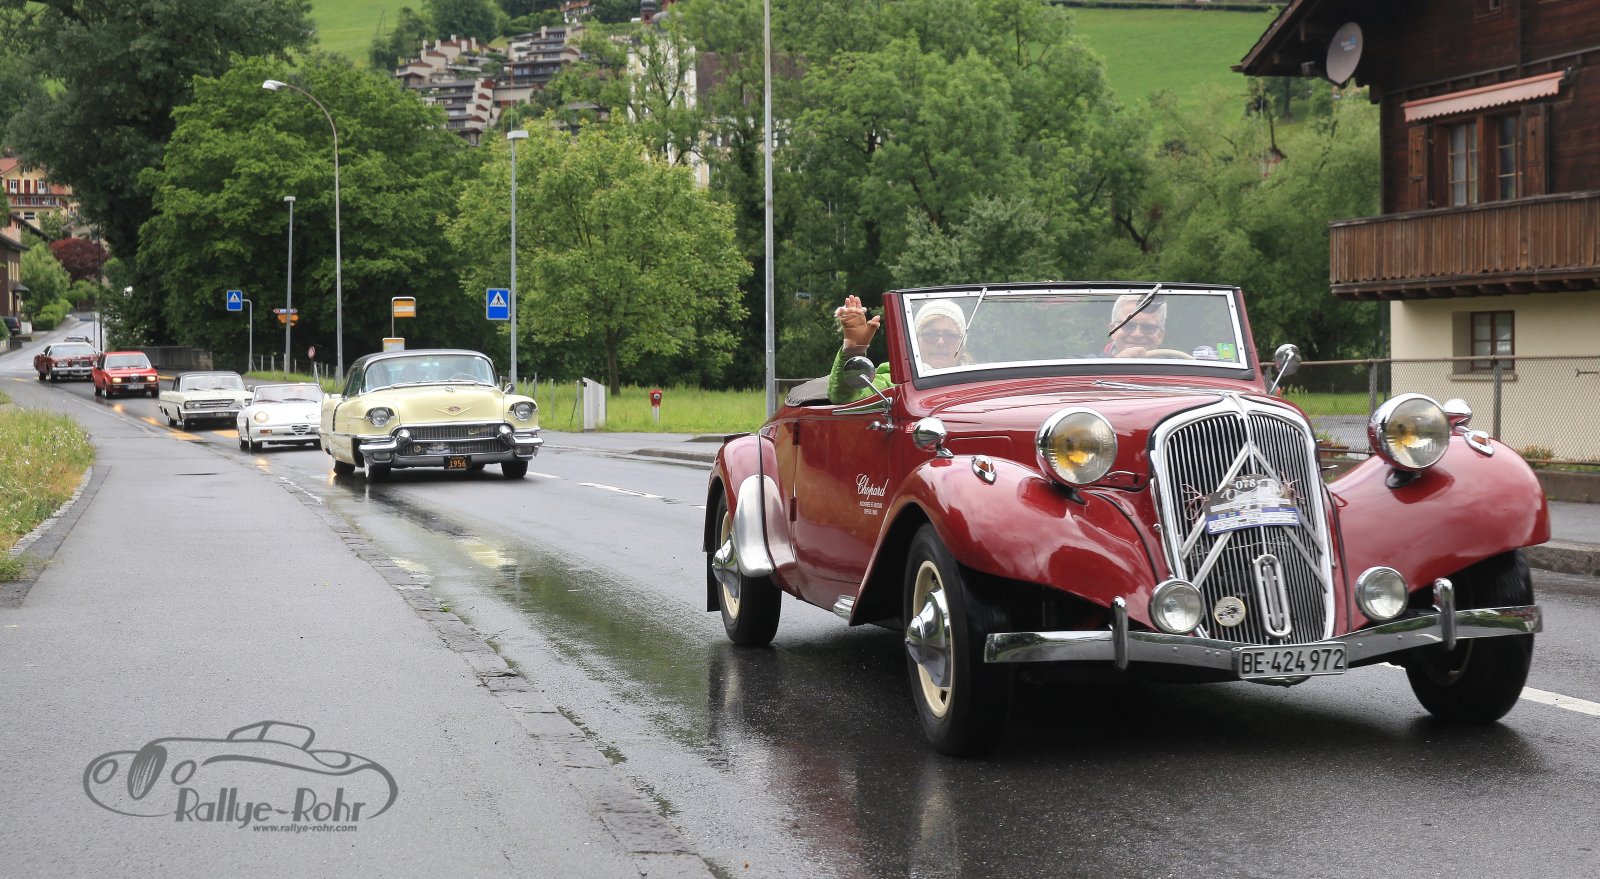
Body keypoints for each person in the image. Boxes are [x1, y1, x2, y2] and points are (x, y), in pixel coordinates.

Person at [826, 295, 969, 404]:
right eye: (930, 335)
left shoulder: (978, 379)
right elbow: (846, 397)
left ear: (962, 343)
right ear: (915, 342)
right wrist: (853, 351)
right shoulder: (895, 381)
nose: (940, 342)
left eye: (950, 335)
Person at [1105, 293, 1169, 358]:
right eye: (1128, 325)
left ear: (1160, 335)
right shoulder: (1098, 362)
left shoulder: (1173, 363)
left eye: (1148, 327)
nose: (1137, 334)